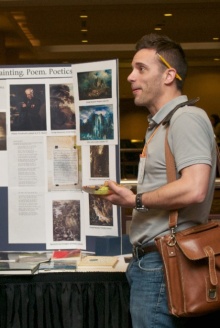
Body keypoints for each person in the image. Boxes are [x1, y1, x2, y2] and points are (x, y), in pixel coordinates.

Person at [102, 33, 217, 328]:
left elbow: (194, 187)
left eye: (141, 69)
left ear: (169, 75)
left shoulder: (186, 118)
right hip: (153, 264)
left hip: (164, 264)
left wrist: (135, 200)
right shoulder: (161, 126)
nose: (130, 77)